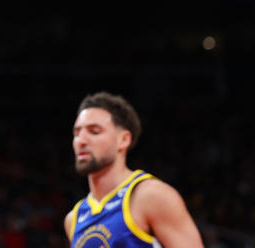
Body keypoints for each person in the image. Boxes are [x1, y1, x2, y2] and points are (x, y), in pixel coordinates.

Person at [64, 92, 204, 247]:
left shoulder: (150, 196)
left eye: (94, 131)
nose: (81, 140)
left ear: (123, 140)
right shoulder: (73, 219)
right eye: (77, 133)